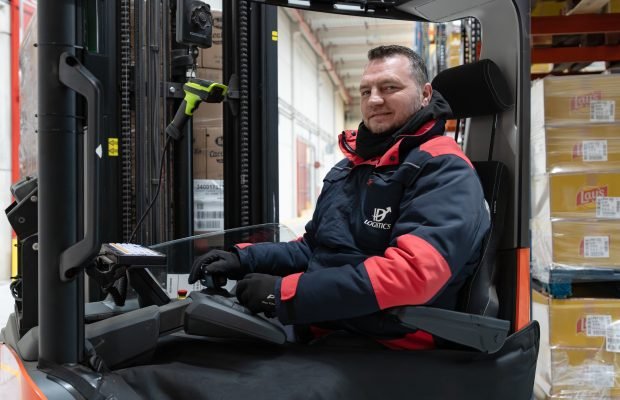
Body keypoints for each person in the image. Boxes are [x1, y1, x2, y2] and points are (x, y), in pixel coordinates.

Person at [189, 45, 490, 349]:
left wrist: (284, 293)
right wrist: (242, 258)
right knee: (195, 344)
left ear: (425, 94)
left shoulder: (442, 169)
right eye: (366, 91)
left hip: (387, 341)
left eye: (389, 87)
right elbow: (314, 247)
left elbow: (412, 274)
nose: (374, 100)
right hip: (327, 322)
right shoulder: (352, 167)